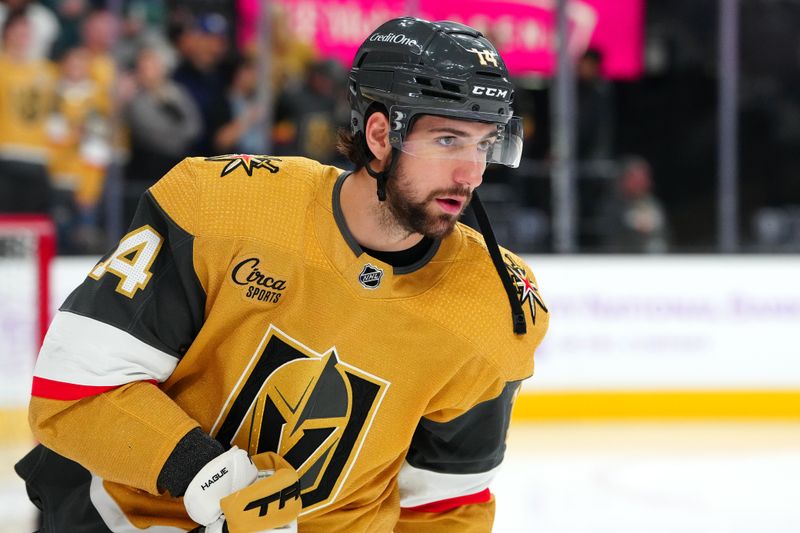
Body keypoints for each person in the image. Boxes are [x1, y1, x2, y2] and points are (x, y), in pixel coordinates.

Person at [16, 16, 549, 533]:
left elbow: (445, 506)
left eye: (484, 144)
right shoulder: (222, 206)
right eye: (449, 140)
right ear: (381, 135)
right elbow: (75, 389)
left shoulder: (495, 304)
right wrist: (210, 475)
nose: (473, 172)